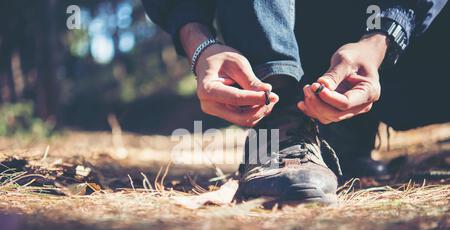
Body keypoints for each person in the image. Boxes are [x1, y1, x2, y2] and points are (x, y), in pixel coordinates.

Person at [142, 0, 449, 204]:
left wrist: (382, 39)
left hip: (407, 54)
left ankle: (349, 132)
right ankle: (282, 125)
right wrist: (200, 46)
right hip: (288, 40)